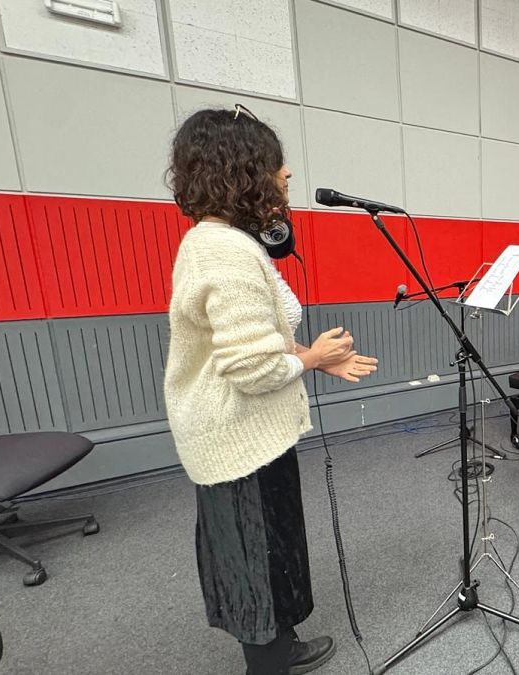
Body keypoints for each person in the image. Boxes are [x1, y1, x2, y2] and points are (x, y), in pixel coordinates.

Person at [163, 105, 378, 675]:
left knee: (274, 547)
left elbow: (259, 338)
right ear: (243, 168)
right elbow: (250, 368)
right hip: (236, 440)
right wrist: (312, 357)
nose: (287, 177)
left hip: (253, 432)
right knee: (254, 566)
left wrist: (316, 362)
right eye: (277, 165)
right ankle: (271, 663)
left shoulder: (229, 242)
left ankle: (285, 647)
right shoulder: (226, 251)